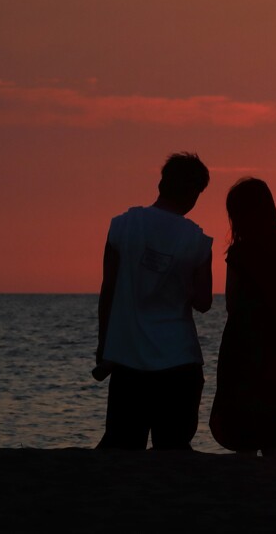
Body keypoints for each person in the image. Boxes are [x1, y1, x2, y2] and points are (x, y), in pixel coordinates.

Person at [94, 152, 213, 450]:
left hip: (129, 359)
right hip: (179, 361)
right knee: (172, 451)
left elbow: (108, 291)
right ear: (193, 193)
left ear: (162, 184)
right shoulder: (197, 241)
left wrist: (104, 346)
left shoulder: (122, 226)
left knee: (123, 449)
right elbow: (204, 301)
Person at [210, 178, 276, 458]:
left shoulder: (241, 253)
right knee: (272, 430)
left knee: (242, 433)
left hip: (243, 344)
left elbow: (232, 303)